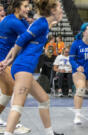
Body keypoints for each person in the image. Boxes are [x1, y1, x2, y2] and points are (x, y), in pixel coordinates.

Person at [0, 0, 63, 135]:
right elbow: (21, 39)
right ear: (52, 10)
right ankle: (9, 132)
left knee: (44, 99)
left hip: (24, 67)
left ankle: (49, 132)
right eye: (59, 7)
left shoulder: (44, 24)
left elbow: (25, 39)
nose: (61, 10)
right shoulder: (41, 23)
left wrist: (7, 59)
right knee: (17, 106)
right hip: (23, 67)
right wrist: (7, 60)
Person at [0, 0, 31, 134]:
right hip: (2, 61)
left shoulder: (17, 20)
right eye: (25, 6)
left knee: (7, 93)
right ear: (17, 8)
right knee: (18, 89)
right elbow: (30, 38)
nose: (28, 8)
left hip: (6, 60)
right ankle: (16, 125)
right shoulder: (13, 22)